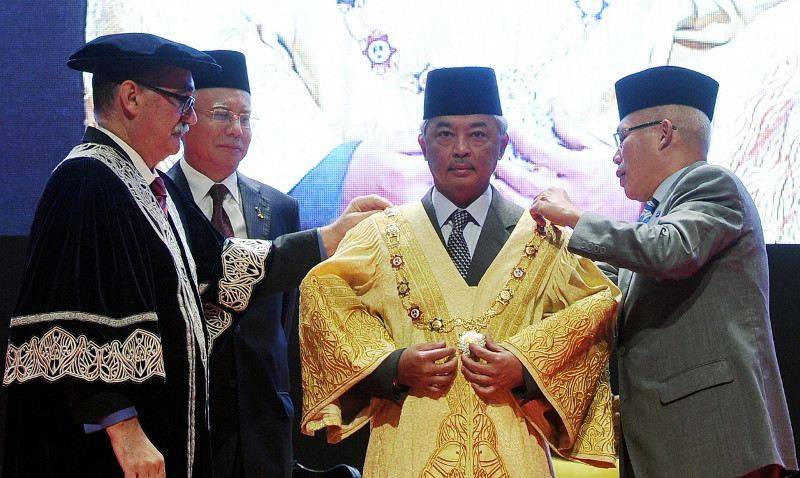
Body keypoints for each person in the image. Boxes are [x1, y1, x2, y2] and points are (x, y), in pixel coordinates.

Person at [1, 33, 387, 478]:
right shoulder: (89, 177)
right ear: (131, 97)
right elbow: (69, 323)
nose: (188, 118)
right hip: (104, 453)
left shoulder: (144, 185)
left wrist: (330, 237)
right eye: (182, 101)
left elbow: (219, 266)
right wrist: (126, 433)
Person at [299, 66, 621, 477]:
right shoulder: (380, 234)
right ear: (423, 144)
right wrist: (391, 367)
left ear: (503, 144)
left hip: (513, 449)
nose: (461, 148)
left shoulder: (545, 239)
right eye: (445, 134)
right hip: (408, 444)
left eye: (478, 134)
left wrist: (526, 367)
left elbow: (597, 306)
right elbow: (323, 292)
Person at [530, 65, 798, 477]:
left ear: (664, 132)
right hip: (670, 443)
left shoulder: (711, 184)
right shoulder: (652, 221)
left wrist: (573, 216)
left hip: (716, 439)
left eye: (621, 139)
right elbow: (605, 285)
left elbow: (672, 250)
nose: (616, 156)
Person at [167, 49, 356, 478]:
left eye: (246, 118)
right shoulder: (158, 199)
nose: (237, 129)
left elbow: (284, 319)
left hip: (264, 421)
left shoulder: (279, 205)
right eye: (222, 114)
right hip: (187, 417)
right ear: (188, 117)